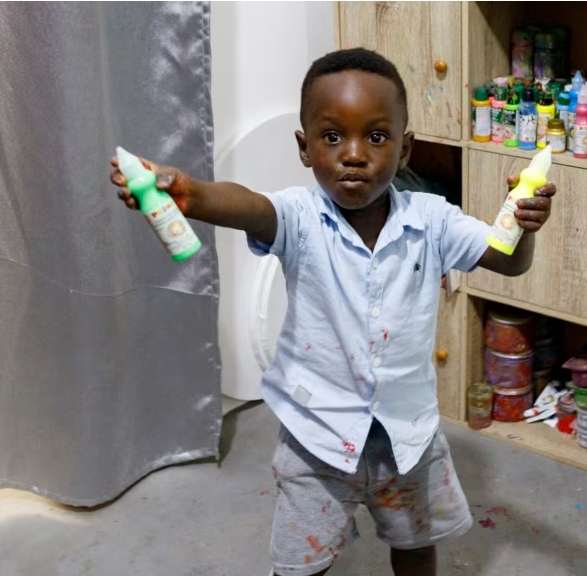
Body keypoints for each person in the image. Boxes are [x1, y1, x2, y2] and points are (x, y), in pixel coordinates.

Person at [109, 48, 556, 576]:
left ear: (405, 148)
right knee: (299, 563)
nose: (353, 154)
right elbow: (248, 204)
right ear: (304, 148)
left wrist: (522, 229)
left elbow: (505, 261)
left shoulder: (432, 220)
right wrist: (191, 194)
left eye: (376, 136)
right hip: (316, 435)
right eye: (331, 136)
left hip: (406, 436)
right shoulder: (300, 218)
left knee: (416, 543)